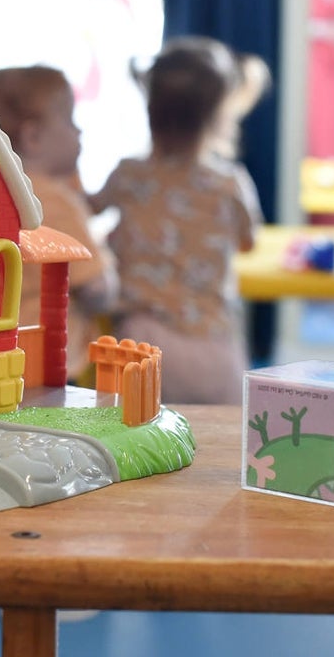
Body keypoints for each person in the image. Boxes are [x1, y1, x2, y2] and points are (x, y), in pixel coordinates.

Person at [90, 37, 261, 404]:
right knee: (224, 449)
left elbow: (86, 209)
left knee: (139, 450)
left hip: (143, 343)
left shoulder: (129, 176)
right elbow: (248, 242)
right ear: (219, 117)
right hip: (214, 344)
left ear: (151, 112)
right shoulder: (230, 184)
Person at [0, 66, 117, 381]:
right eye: (70, 121)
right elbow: (96, 287)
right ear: (33, 136)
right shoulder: (52, 200)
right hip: (51, 363)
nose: (79, 132)